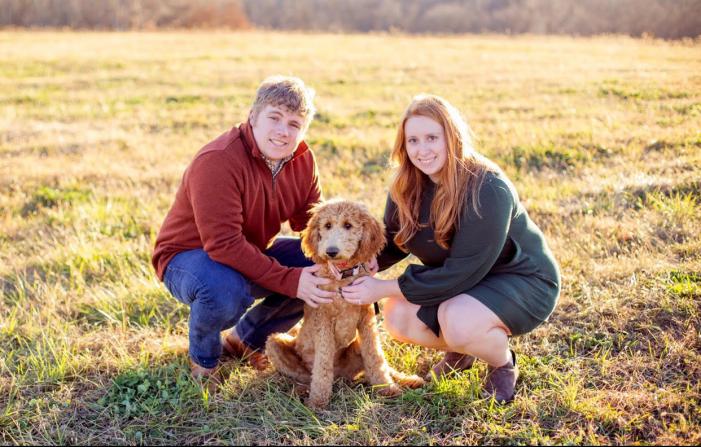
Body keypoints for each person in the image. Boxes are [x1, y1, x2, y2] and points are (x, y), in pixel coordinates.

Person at [341, 94, 560, 403]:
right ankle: (462, 352)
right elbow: (394, 239)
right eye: (413, 140)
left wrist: (383, 287)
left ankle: (502, 363)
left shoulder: (486, 187)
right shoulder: (406, 184)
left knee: (456, 320)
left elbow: (461, 272)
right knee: (398, 316)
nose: (422, 149)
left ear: (452, 137)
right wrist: (366, 263)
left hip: (522, 280)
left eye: (432, 137)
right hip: (466, 281)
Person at [152, 76, 335, 384]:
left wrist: (344, 261)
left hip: (249, 251)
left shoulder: (302, 159)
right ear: (253, 116)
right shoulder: (218, 160)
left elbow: (312, 226)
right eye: (274, 118)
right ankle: (204, 359)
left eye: (294, 124)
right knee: (225, 290)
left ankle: (245, 340)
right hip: (187, 258)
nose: (283, 131)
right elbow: (222, 245)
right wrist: (290, 281)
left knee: (316, 269)